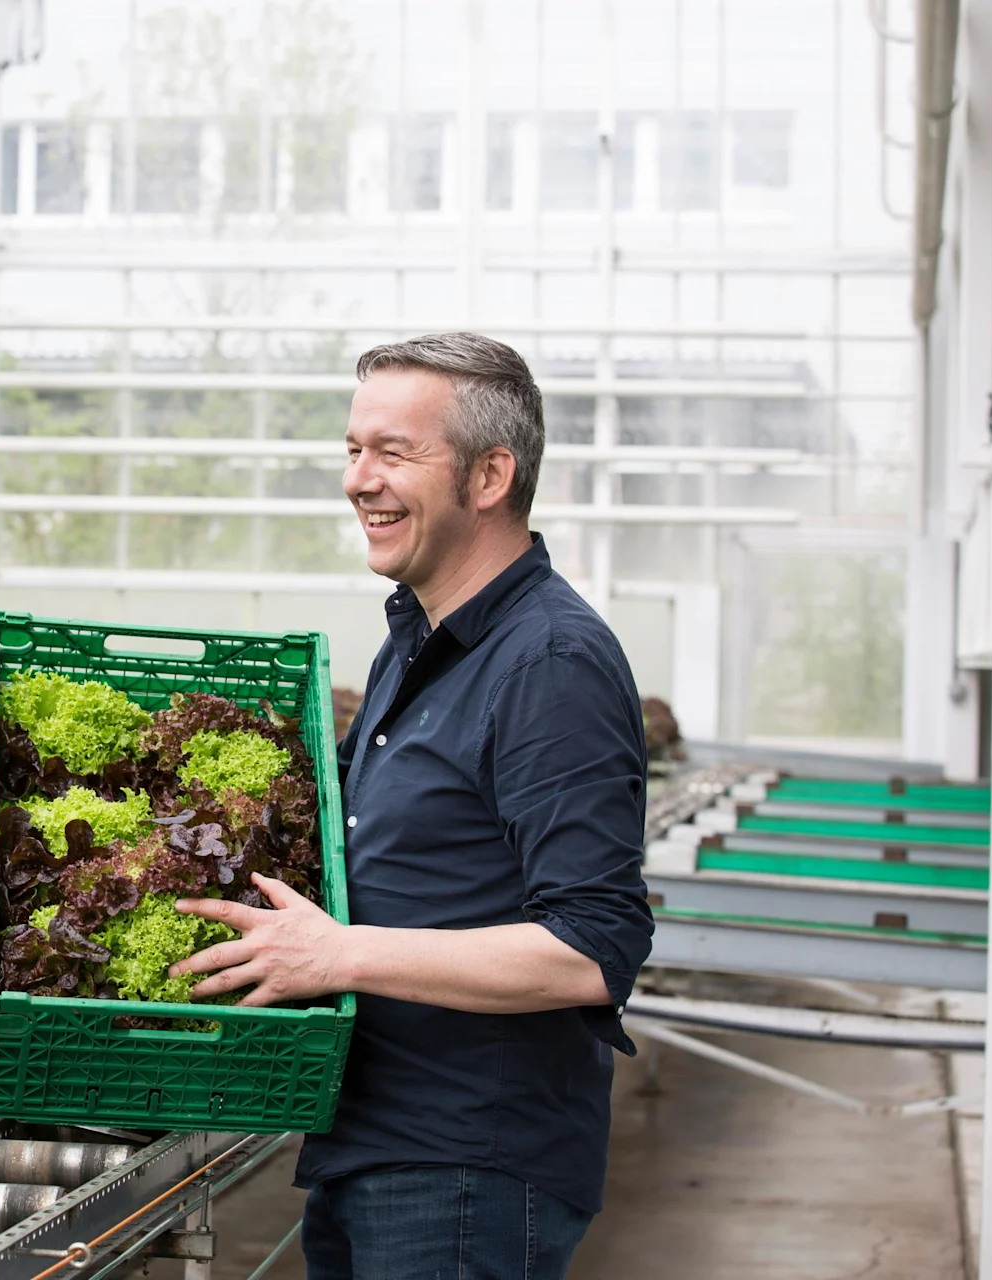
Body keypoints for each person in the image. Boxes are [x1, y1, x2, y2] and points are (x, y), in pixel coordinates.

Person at [164, 333, 655, 1278]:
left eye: (393, 452)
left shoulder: (548, 663)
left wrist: (339, 953)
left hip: (466, 1164)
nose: (359, 480)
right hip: (376, 1137)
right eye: (353, 450)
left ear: (489, 476)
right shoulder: (418, 642)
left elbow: (594, 949)